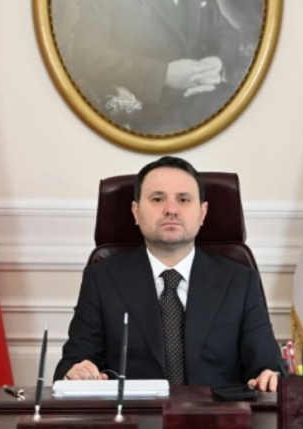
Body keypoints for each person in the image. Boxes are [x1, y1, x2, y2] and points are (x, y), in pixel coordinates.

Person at [54, 156, 283, 392]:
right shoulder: (102, 280)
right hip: (134, 413)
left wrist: (269, 376)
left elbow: (267, 366)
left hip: (217, 413)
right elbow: (73, 364)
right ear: (136, 212)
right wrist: (76, 373)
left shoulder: (240, 282)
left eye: (183, 199)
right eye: (157, 199)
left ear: (202, 213)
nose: (171, 209)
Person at [61, 0, 253, 134]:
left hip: (208, 95)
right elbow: (87, 56)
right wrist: (163, 74)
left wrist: (217, 61)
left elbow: (225, 33)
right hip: (152, 110)